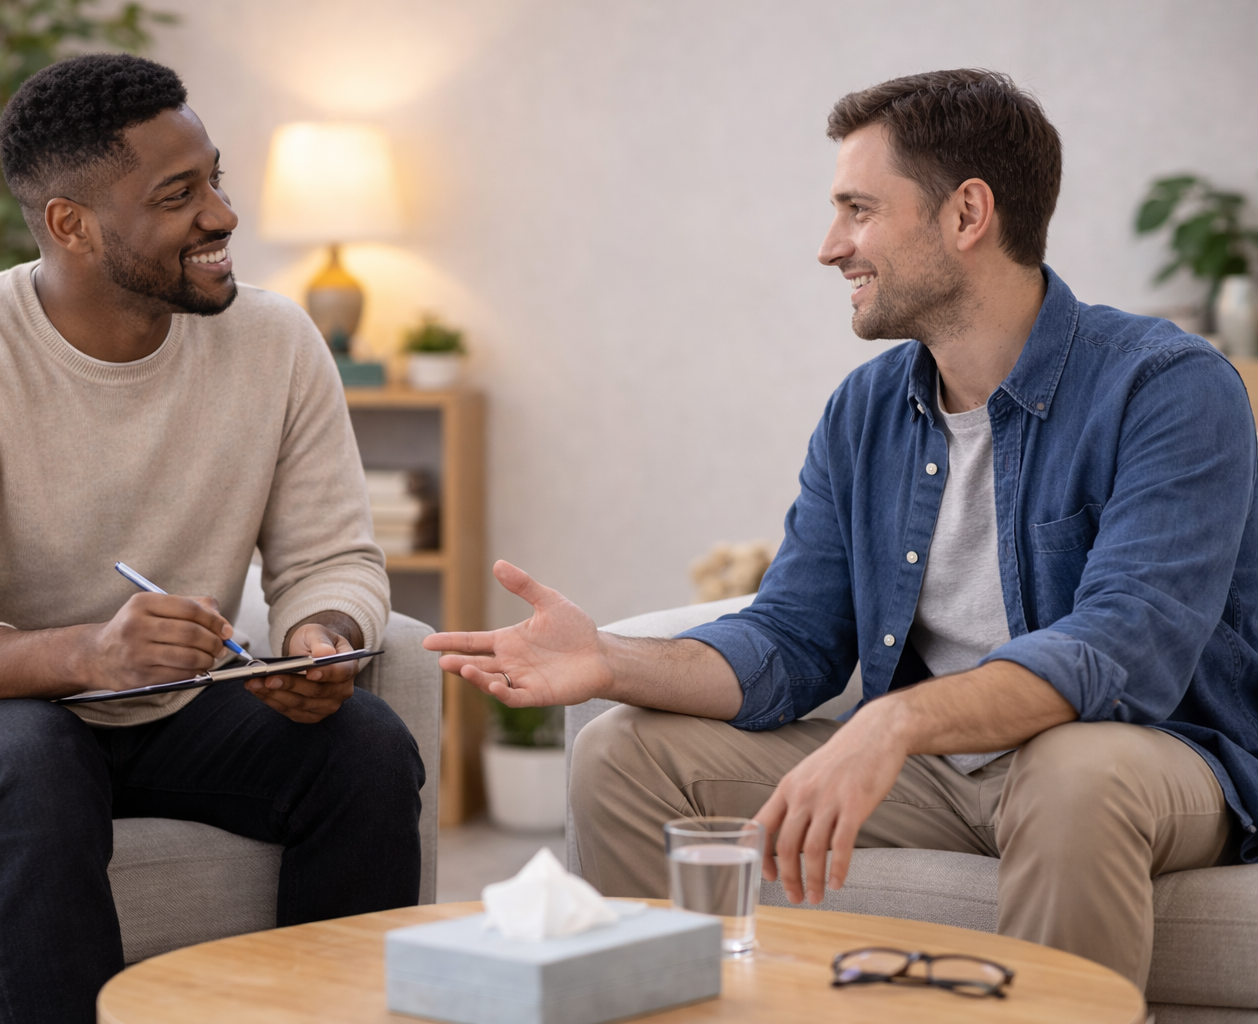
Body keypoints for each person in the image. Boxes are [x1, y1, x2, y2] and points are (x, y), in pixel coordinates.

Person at [424, 68, 1258, 989]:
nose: (831, 247)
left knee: (1073, 770)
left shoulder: (1168, 387)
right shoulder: (865, 410)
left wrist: (893, 722)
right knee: (620, 752)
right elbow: (794, 638)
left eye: (859, 210)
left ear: (967, 213)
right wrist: (612, 660)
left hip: (1156, 758)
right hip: (950, 769)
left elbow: (1122, 653)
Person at [0, 54, 424, 1024]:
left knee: (360, 741)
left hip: (172, 712)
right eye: (178, 195)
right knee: (34, 757)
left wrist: (324, 636)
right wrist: (89, 655)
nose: (224, 215)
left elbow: (332, 559)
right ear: (70, 223)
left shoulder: (276, 343)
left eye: (216, 179)